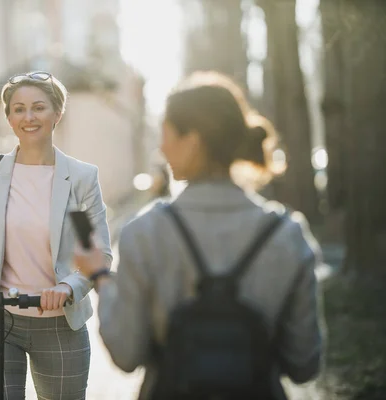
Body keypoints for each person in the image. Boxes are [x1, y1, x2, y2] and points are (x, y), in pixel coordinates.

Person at [74, 71, 324, 399]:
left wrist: (100, 276)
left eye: (166, 134)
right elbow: (304, 364)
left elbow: (126, 353)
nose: (161, 148)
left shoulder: (145, 232)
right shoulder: (288, 235)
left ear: (192, 141)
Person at [0, 71, 112, 399]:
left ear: (57, 113)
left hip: (60, 324)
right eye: (19, 109)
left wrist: (68, 286)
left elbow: (100, 253)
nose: (29, 117)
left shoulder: (82, 178)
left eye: (39, 107)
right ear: (9, 117)